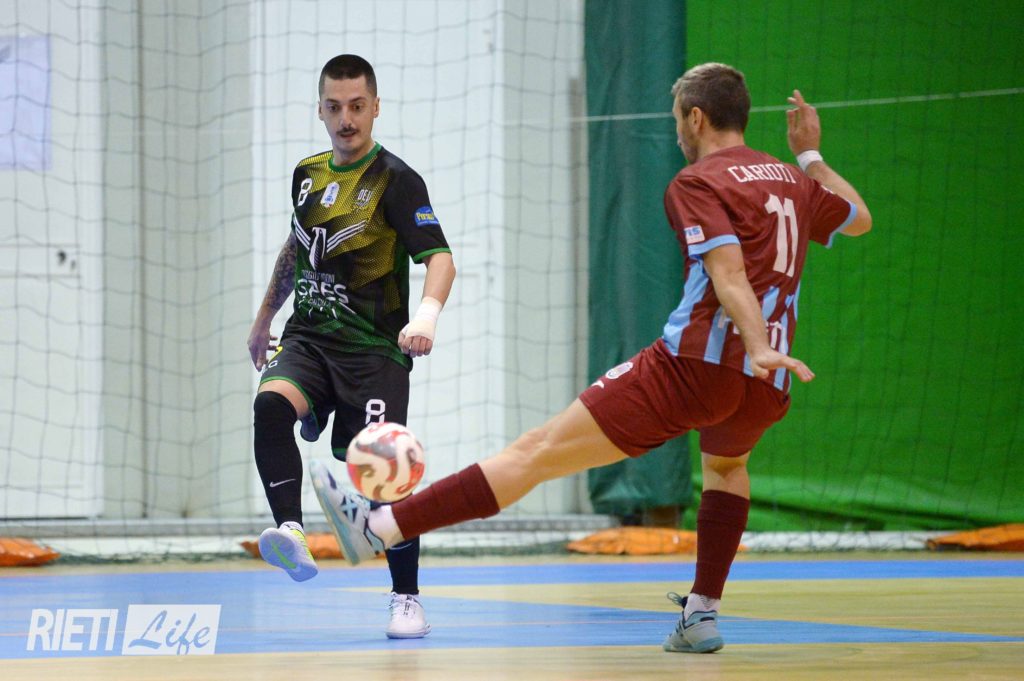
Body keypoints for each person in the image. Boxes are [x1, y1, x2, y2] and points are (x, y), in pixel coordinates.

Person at [309, 62, 871, 652]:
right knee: (727, 470)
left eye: (677, 120)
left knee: (536, 452)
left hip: (697, 366)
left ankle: (378, 526)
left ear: (696, 118)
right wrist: (810, 156)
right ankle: (701, 613)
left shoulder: (699, 181)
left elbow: (727, 274)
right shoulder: (790, 179)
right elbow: (858, 219)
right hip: (765, 384)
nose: (678, 132)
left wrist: (755, 344)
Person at [248, 54, 456, 640]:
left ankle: (407, 599)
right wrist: (264, 319)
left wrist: (426, 318)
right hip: (309, 338)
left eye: (357, 107)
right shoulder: (306, 174)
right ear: (320, 110)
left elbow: (440, 258)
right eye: (335, 107)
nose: (346, 119)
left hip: (373, 351)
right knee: (269, 406)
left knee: (384, 473)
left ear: (375, 107)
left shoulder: (396, 180)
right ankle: (292, 532)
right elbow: (296, 248)